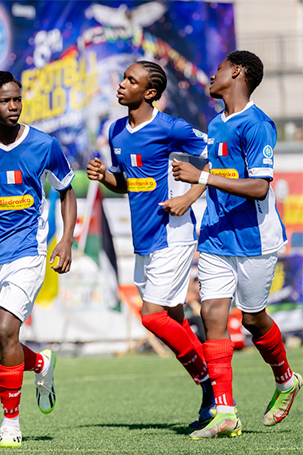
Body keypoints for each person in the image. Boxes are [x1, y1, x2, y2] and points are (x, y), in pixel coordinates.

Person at [172, 50, 301, 439]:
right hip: (214, 235)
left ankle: (286, 379)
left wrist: (202, 179)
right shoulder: (216, 122)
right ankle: (225, 411)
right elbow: (213, 168)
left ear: (238, 72)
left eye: (218, 70)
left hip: (254, 239)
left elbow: (260, 188)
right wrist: (191, 194)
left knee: (252, 318)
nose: (212, 76)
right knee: (212, 313)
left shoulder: (258, 124)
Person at [86, 61, 215, 429]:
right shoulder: (115, 131)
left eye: (131, 80)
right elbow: (129, 182)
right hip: (144, 239)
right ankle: (210, 394)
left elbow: (218, 160)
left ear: (150, 92)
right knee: (172, 318)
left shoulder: (171, 127)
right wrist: (106, 176)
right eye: (123, 77)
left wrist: (191, 196)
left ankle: (212, 384)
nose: (122, 84)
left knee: (151, 315)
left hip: (172, 234)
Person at [0, 71, 77, 448]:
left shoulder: (44, 144)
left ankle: (10, 424)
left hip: (28, 251)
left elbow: (67, 191)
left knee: (7, 331)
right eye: (6, 101)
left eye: (17, 100)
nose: (14, 106)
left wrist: (66, 239)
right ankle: (40, 364)